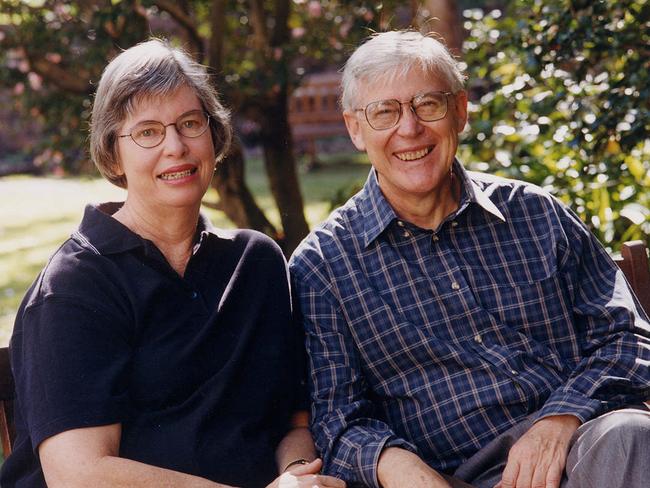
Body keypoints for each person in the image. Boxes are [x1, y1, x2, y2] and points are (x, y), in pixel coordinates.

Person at [289, 30, 650, 488]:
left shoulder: (535, 213)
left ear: (460, 111)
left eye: (428, 105)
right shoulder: (323, 265)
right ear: (355, 128)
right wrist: (402, 468)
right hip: (459, 476)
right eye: (385, 112)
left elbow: (627, 336)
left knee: (631, 435)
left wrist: (560, 420)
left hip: (586, 447)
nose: (409, 129)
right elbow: (337, 418)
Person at [0, 39, 345, 488]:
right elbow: (80, 474)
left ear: (214, 134)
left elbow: (291, 423)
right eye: (148, 132)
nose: (175, 146)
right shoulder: (75, 284)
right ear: (113, 151)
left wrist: (298, 476)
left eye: (189, 123)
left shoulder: (255, 262)